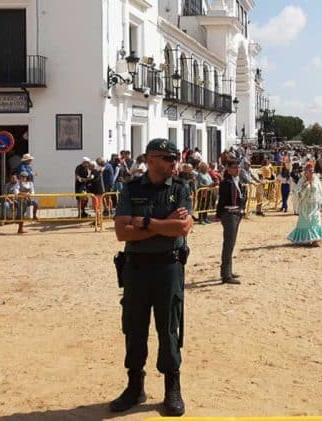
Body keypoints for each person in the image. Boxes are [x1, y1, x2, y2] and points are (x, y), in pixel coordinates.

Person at [112, 138, 193, 416]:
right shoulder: (131, 188)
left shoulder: (180, 188)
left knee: (169, 326)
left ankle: (172, 386)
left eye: (176, 158)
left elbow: (182, 228)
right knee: (134, 327)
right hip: (136, 268)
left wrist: (145, 223)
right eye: (169, 158)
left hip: (169, 268)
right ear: (151, 159)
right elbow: (122, 232)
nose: (175, 164)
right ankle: (135, 385)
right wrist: (164, 225)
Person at [215, 159, 245, 284]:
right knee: (228, 244)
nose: (237, 169)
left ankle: (228, 270)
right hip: (229, 214)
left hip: (237, 214)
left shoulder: (238, 181)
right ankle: (226, 274)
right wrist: (219, 214)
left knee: (231, 244)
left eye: (238, 167)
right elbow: (222, 200)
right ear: (228, 169)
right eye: (234, 167)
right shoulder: (226, 183)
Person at [287, 163, 322, 246]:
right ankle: (306, 239)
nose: (312, 171)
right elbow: (296, 192)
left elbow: (320, 191)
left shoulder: (316, 180)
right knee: (306, 222)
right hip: (305, 206)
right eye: (310, 170)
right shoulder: (302, 180)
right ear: (306, 171)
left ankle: (315, 240)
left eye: (312, 170)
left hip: (314, 205)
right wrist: (303, 187)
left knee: (316, 221)